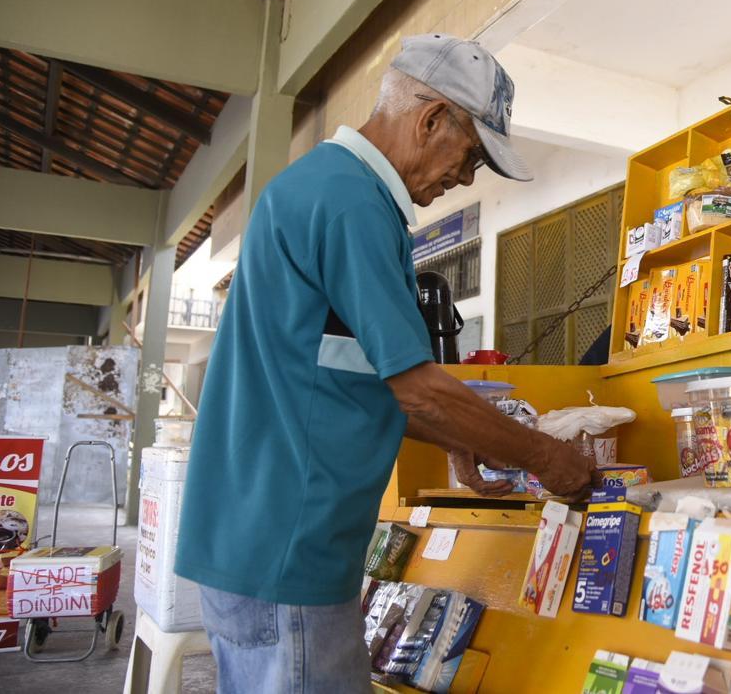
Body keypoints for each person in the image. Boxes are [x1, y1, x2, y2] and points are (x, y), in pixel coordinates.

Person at [174, 34, 598, 693]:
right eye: (473, 157)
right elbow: (420, 389)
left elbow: (356, 383)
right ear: (431, 119)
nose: (466, 178)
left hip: (252, 540)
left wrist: (464, 439)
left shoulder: (318, 188)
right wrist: (546, 457)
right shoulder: (354, 204)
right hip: (290, 546)